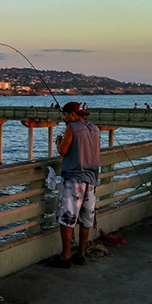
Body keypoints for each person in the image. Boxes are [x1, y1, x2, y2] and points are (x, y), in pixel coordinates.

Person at [47, 101, 101, 269]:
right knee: (86, 219)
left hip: (74, 178)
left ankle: (66, 257)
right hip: (91, 179)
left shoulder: (72, 127)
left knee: (67, 217)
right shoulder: (95, 129)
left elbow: (63, 150)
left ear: (72, 114)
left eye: (64, 114)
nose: (63, 118)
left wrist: (58, 141)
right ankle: (81, 255)